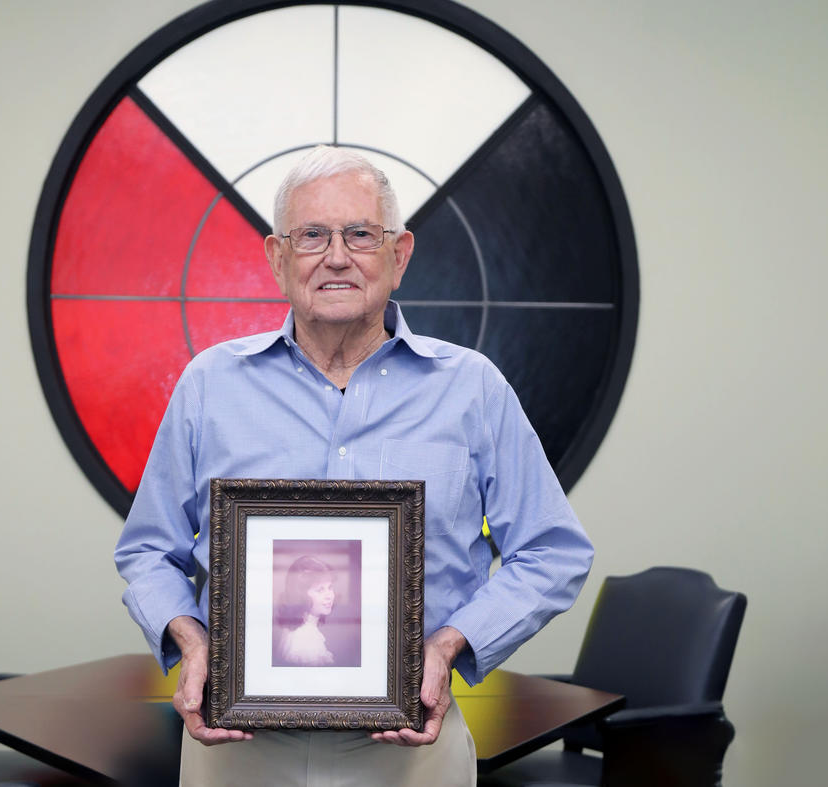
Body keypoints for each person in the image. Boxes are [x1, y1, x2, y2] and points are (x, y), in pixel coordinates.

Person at [114, 145, 594, 786]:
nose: (336, 256)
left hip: (412, 749)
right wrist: (193, 641)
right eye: (312, 235)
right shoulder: (209, 385)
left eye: (360, 234)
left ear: (399, 256)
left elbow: (552, 549)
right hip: (237, 747)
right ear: (277, 258)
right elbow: (147, 550)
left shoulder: (472, 388)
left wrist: (448, 646)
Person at [275, 555, 336, 667]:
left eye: (330, 587)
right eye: (320, 590)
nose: (329, 596)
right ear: (301, 595)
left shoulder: (303, 630)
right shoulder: (306, 641)